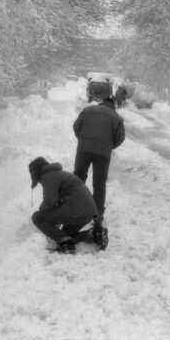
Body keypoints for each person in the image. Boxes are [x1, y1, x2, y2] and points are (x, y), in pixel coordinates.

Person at [73, 93, 126, 240]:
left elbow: (76, 126)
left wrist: (83, 139)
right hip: (103, 154)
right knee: (99, 184)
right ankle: (97, 216)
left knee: (78, 178)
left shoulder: (88, 110)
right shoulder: (117, 118)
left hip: (84, 150)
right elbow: (120, 137)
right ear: (113, 106)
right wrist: (108, 145)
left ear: (101, 103)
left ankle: (75, 207)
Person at [28, 156, 103, 254]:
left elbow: (50, 201)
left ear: (37, 174)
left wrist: (45, 216)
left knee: (37, 217)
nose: (40, 183)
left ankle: (66, 244)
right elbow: (57, 202)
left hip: (76, 210)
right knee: (64, 235)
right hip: (87, 212)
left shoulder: (48, 176)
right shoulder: (59, 174)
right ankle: (93, 235)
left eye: (38, 180)